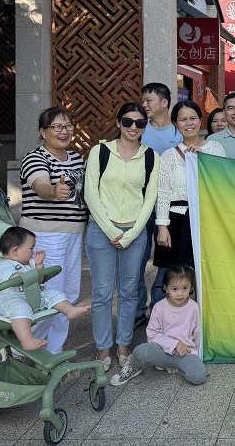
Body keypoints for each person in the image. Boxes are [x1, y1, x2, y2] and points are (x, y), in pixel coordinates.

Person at [84, 103, 160, 372]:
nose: (133, 127)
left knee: (129, 291)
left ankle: (124, 345)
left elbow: (150, 197)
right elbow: (90, 193)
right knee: (102, 292)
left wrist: (131, 234)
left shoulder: (150, 156)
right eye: (128, 121)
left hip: (135, 233)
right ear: (118, 122)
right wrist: (111, 231)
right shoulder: (100, 151)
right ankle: (103, 348)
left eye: (140, 123)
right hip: (100, 230)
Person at [19, 107, 89, 353]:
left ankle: (54, 351)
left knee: (69, 294)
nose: (64, 131)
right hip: (46, 236)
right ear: (43, 131)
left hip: (74, 233)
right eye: (57, 127)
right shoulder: (35, 158)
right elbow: (41, 186)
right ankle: (23, 345)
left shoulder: (77, 159)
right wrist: (53, 191)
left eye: (68, 126)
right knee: (51, 294)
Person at [154, 101, 225, 308]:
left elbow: (222, 183)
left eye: (193, 118)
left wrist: (203, 160)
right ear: (175, 123)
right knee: (171, 276)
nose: (189, 123)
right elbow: (163, 193)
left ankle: (203, 319)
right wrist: (162, 226)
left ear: (201, 120)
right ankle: (165, 320)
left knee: (206, 274)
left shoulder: (215, 148)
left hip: (206, 220)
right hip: (176, 221)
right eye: (183, 119)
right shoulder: (168, 156)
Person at [0, 226, 90, 351]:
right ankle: (27, 340)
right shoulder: (4, 265)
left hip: (29, 296)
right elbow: (14, 280)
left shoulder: (27, 265)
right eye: (31, 248)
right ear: (15, 250)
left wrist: (39, 266)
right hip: (8, 300)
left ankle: (69, 310)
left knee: (53, 294)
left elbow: (39, 281)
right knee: (20, 309)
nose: (33, 252)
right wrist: (28, 274)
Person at [109, 264, 206, 387]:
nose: (180, 294)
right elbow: (152, 335)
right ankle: (133, 368)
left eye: (185, 288)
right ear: (166, 288)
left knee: (199, 376)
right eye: (174, 289)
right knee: (140, 351)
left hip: (185, 354)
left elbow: (198, 334)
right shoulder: (159, 307)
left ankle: (175, 368)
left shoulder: (194, 307)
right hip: (162, 351)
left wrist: (196, 357)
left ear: (191, 288)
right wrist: (175, 344)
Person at [136, 83, 183, 327]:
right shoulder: (138, 130)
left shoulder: (180, 132)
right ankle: (137, 311)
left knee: (166, 263)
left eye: (149, 100)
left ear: (164, 103)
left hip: (171, 210)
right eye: (143, 100)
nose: (144, 105)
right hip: (140, 207)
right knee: (137, 261)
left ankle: (160, 310)